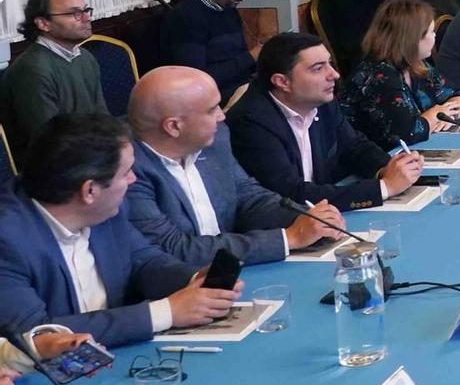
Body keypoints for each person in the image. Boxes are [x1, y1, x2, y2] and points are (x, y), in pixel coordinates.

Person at [0, 113, 236, 348]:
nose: (133, 179)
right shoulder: (7, 240)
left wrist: (194, 281)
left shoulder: (106, 209)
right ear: (90, 191)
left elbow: (143, 261)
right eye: (126, 173)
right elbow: (36, 337)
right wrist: (167, 312)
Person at [124, 67, 344, 266]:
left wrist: (309, 218)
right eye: (212, 110)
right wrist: (290, 237)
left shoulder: (215, 140)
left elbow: (248, 197)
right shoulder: (127, 171)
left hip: (231, 274)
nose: (222, 116)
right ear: (173, 126)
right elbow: (174, 249)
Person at [226, 32, 423, 211]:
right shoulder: (251, 122)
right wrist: (385, 187)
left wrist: (388, 168)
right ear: (282, 82)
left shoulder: (320, 102)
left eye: (330, 64)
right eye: (318, 68)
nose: (334, 75)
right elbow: (291, 194)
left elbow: (355, 147)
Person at [339, 0, 460, 151]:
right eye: (430, 32)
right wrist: (436, 113)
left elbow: (454, 93)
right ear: (411, 39)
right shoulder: (379, 75)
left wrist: (459, 104)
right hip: (379, 164)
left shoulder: (416, 64)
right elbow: (405, 134)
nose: (434, 37)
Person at [0, 0, 107, 152]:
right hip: (53, 166)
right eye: (75, 14)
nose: (87, 18)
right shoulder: (32, 70)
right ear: (43, 23)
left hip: (90, 153)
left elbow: (102, 117)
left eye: (86, 10)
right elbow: (48, 141)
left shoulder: (85, 57)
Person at [159, 0, 259, 99]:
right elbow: (196, 79)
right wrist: (251, 57)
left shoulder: (228, 9)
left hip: (241, 88)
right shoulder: (186, 17)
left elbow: (238, 60)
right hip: (211, 97)